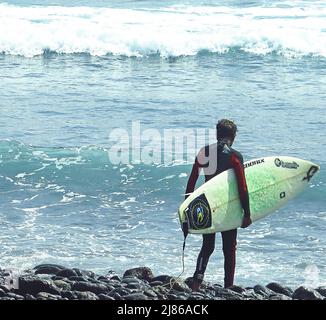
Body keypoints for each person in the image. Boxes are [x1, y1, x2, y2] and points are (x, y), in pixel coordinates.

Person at [185, 119, 252, 291]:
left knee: (207, 246)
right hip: (227, 207)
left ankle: (196, 283)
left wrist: (187, 208)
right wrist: (247, 213)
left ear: (217, 134)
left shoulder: (204, 152)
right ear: (233, 136)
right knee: (229, 249)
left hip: (208, 205)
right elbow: (242, 187)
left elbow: (192, 181)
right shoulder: (235, 156)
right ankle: (228, 286)